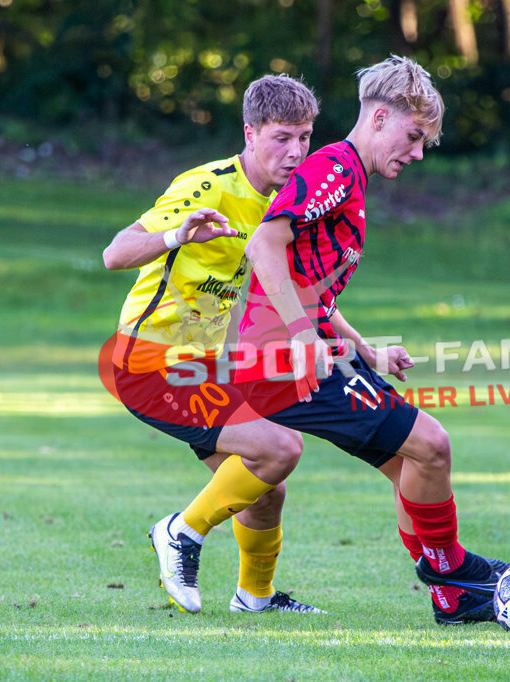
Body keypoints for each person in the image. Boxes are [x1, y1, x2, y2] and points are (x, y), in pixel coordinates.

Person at [234, 55, 509, 625]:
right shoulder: (334, 168)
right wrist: (304, 337)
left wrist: (365, 350)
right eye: (412, 137)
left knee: (410, 468)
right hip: (280, 359)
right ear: (380, 118)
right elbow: (263, 245)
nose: (415, 153)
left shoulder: (348, 176)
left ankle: (449, 588)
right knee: (431, 445)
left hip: (292, 350)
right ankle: (452, 578)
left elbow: (313, 290)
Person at [100, 74, 324, 615]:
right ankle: (180, 532)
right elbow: (116, 252)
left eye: (305, 138)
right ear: (250, 132)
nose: (296, 152)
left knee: (267, 489)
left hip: (200, 367)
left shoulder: (286, 201)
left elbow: (300, 288)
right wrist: (178, 236)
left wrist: (363, 347)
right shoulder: (208, 186)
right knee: (280, 449)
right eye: (281, 138)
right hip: (147, 362)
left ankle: (256, 598)